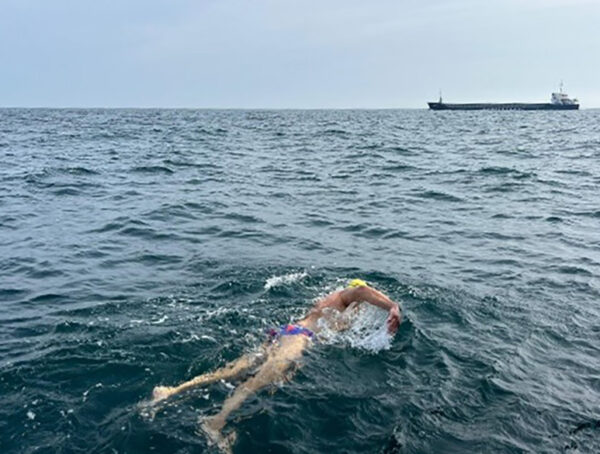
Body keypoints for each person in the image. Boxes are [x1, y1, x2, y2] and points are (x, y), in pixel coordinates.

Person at [150, 279, 402, 452]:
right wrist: (392, 306)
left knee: (232, 371)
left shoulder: (331, 303)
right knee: (257, 382)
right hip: (299, 339)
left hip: (287, 332)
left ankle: (170, 391)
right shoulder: (347, 296)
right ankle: (215, 422)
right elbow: (362, 292)